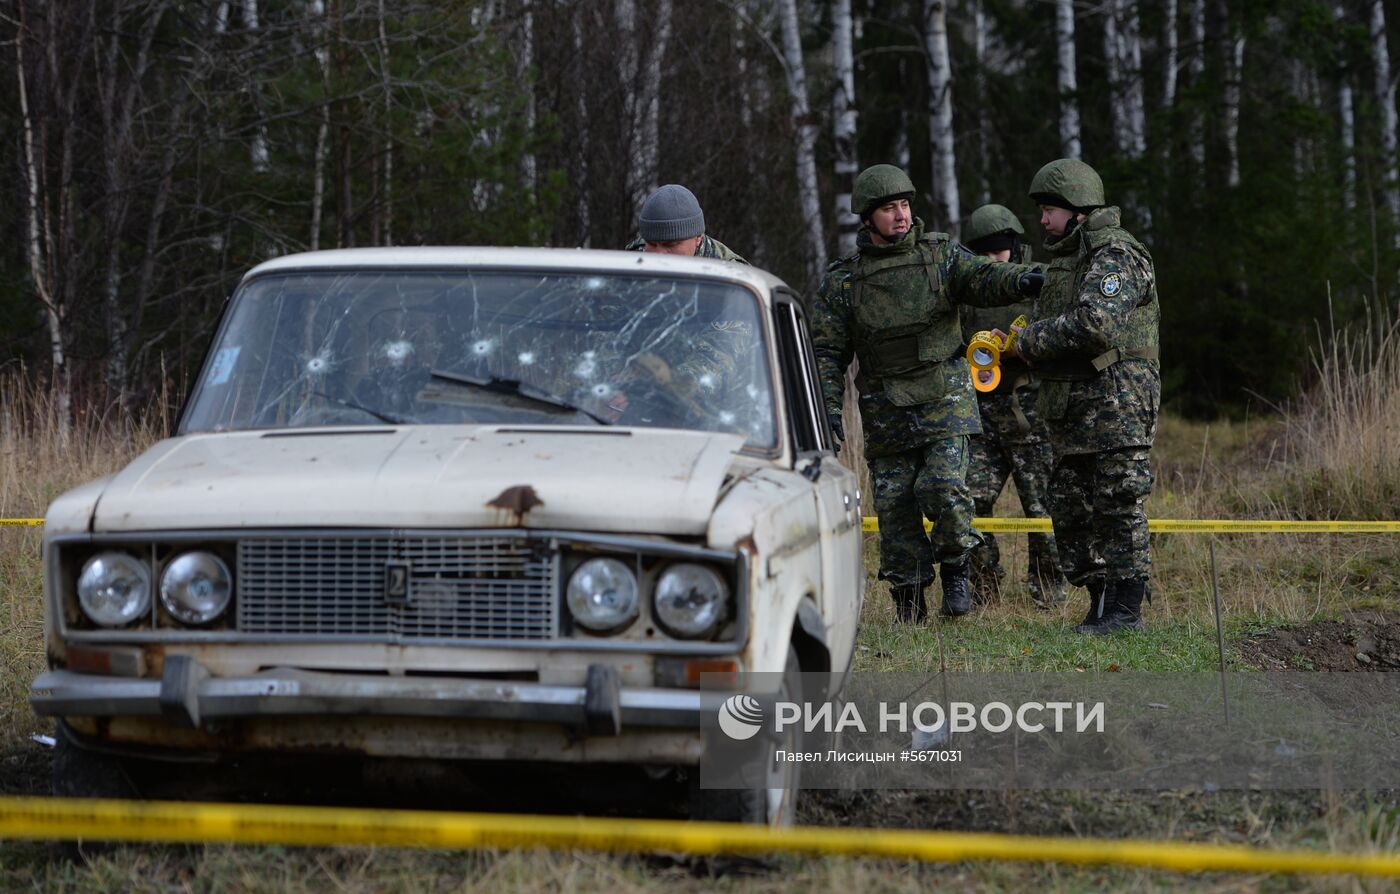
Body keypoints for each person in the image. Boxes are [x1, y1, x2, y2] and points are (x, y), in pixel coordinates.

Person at [811, 164, 1043, 623]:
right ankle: (909, 602)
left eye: (904, 205)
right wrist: (827, 408)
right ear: (866, 218)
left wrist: (1025, 279)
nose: (900, 216)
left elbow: (983, 278)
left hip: (944, 398)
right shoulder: (844, 280)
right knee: (895, 507)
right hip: (885, 404)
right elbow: (826, 351)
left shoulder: (941, 257)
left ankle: (957, 571)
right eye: (888, 208)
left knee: (944, 486)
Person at [1001, 158, 1160, 634]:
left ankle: (1125, 612)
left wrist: (1026, 343)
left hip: (1118, 406)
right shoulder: (1068, 261)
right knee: (1070, 507)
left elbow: (1096, 325)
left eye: (1049, 210)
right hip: (1072, 409)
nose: (1043, 221)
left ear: (1078, 209)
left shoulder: (1115, 254)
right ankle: (1099, 602)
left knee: (1118, 502)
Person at [959, 204, 1067, 608]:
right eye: (983, 253)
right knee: (973, 501)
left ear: (1015, 246)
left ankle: (1048, 593)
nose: (992, 260)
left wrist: (1026, 347)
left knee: (1041, 507)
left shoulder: (1040, 280)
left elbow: (1064, 335)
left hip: (1031, 415)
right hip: (981, 414)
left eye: (999, 250)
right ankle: (983, 588)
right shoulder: (968, 289)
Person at [624, 184, 749, 263]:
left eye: (670, 245)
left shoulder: (731, 275)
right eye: (652, 244)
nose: (659, 254)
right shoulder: (632, 260)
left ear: (698, 238)